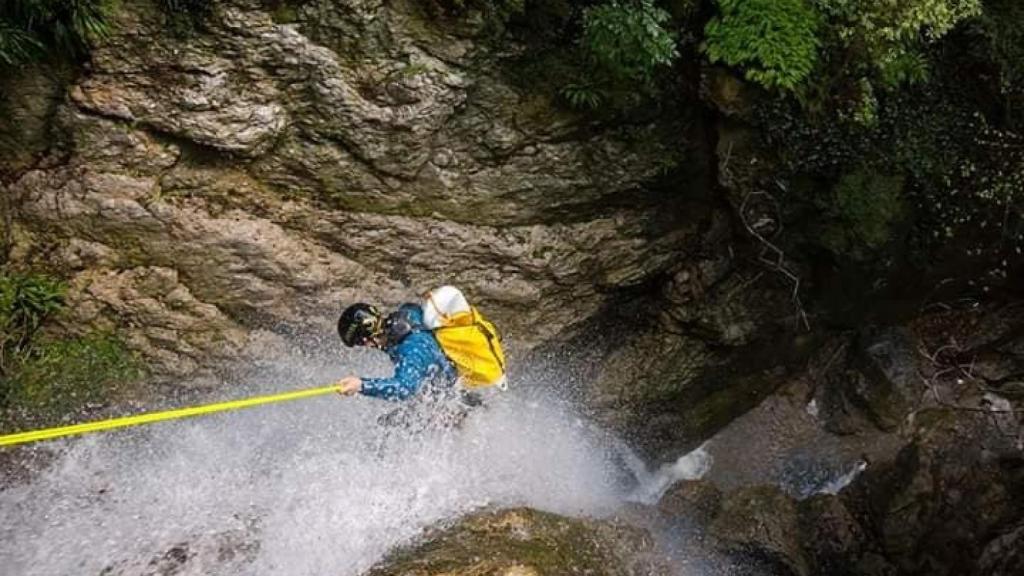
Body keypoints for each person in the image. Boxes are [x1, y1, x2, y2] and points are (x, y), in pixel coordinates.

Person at [334, 302, 459, 401]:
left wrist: (361, 385)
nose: (366, 346)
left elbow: (404, 388)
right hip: (439, 390)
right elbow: (412, 307)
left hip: (452, 400)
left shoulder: (412, 348)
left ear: (367, 337)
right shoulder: (406, 317)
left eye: (360, 342)